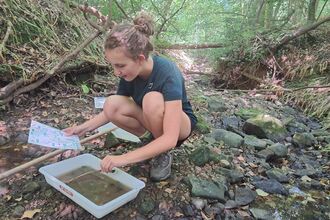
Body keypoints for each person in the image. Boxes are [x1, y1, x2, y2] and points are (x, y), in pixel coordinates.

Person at [64, 12, 197, 181]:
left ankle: (162, 153)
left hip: (179, 126)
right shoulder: (130, 73)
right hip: (152, 120)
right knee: (111, 103)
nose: (116, 72)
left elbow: (171, 138)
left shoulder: (167, 72)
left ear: (140, 59)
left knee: (152, 99)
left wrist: (122, 159)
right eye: (113, 65)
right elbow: (113, 110)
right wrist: (82, 128)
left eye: (120, 65)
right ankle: (151, 144)